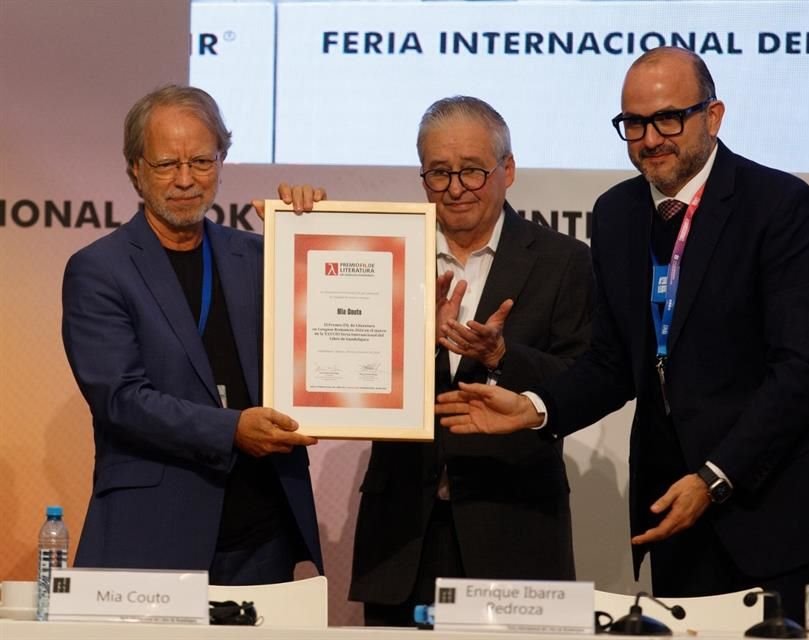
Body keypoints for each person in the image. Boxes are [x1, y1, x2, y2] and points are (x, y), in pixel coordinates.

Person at [436, 48, 809, 622]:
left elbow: (803, 369)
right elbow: (612, 364)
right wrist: (534, 407)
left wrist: (715, 478)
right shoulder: (617, 212)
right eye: (634, 124)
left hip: (779, 507)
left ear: (713, 116)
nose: (650, 139)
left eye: (669, 119)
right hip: (673, 508)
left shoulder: (782, 207)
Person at [275, 96, 595, 626]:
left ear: (508, 170)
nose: (455, 188)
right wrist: (304, 224)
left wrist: (500, 356)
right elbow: (325, 332)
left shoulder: (564, 262)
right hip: (403, 535)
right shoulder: (382, 254)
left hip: (513, 528)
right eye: (439, 173)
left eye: (472, 171)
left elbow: (586, 379)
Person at [61, 85, 323, 585]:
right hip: (155, 531)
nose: (185, 180)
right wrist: (231, 430)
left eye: (201, 161)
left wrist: (314, 232)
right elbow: (120, 399)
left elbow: (329, 339)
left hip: (261, 534)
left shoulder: (263, 255)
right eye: (166, 164)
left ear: (222, 161)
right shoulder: (98, 270)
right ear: (135, 169)